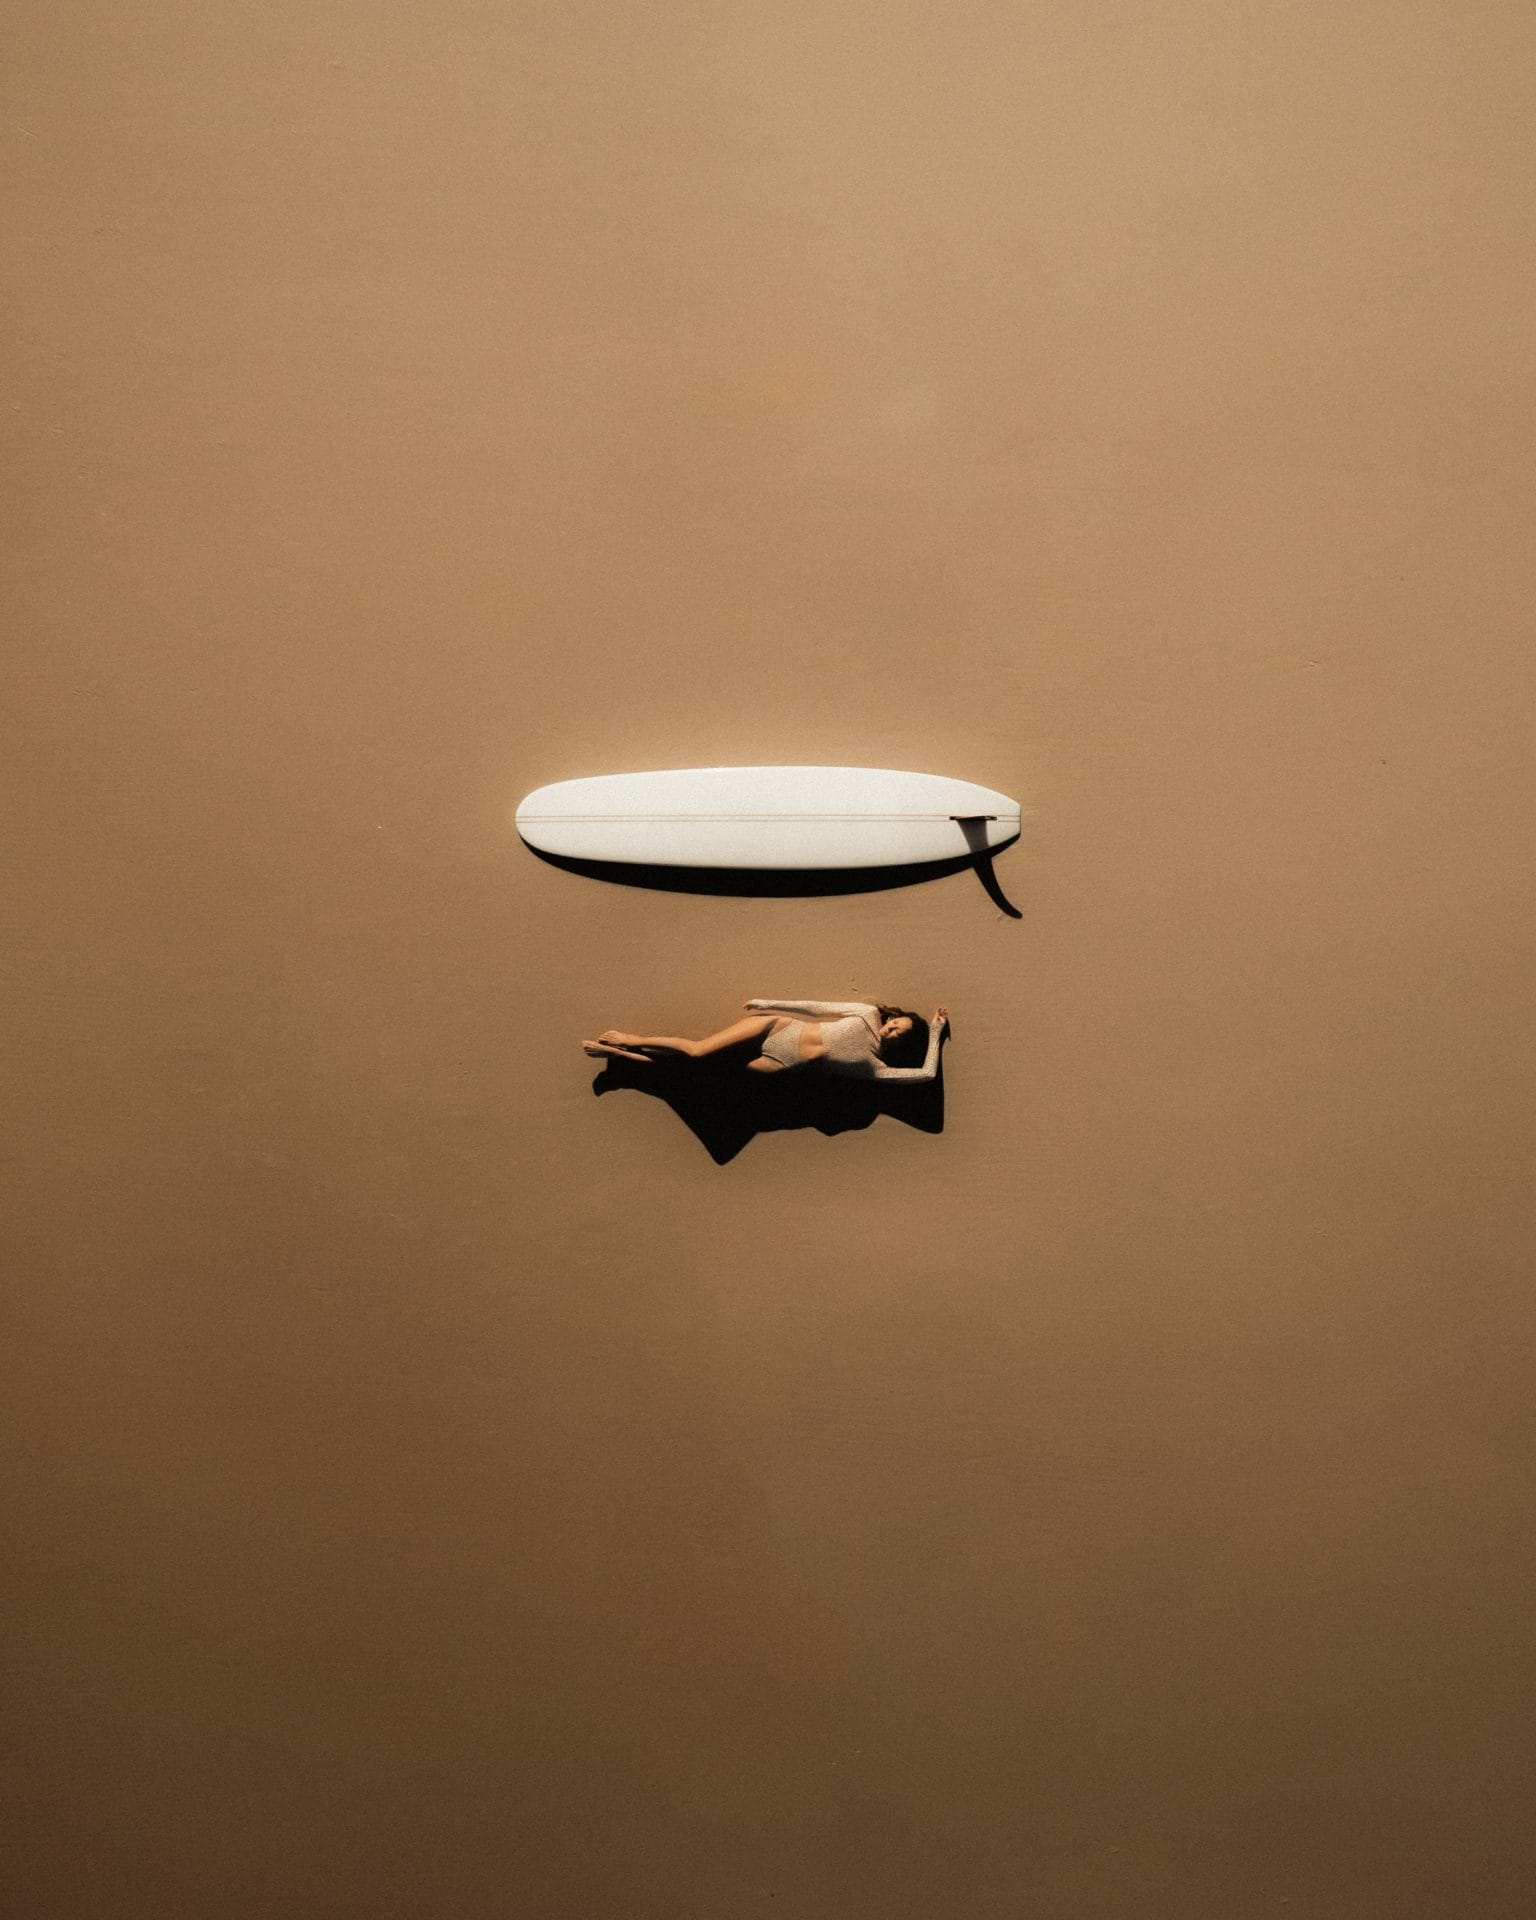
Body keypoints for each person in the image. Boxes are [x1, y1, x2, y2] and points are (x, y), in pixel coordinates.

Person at [582, 999, 948, 1081]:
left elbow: (928, 1075)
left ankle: (622, 1060)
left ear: (902, 1045)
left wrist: (934, 1034)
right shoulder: (867, 1013)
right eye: (895, 1022)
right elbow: (817, 1007)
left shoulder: (875, 1069)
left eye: (899, 1033)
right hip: (778, 1029)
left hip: (783, 1064)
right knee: (698, 1051)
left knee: (702, 1076)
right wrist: (769, 1002)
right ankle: (632, 1039)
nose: (891, 1028)